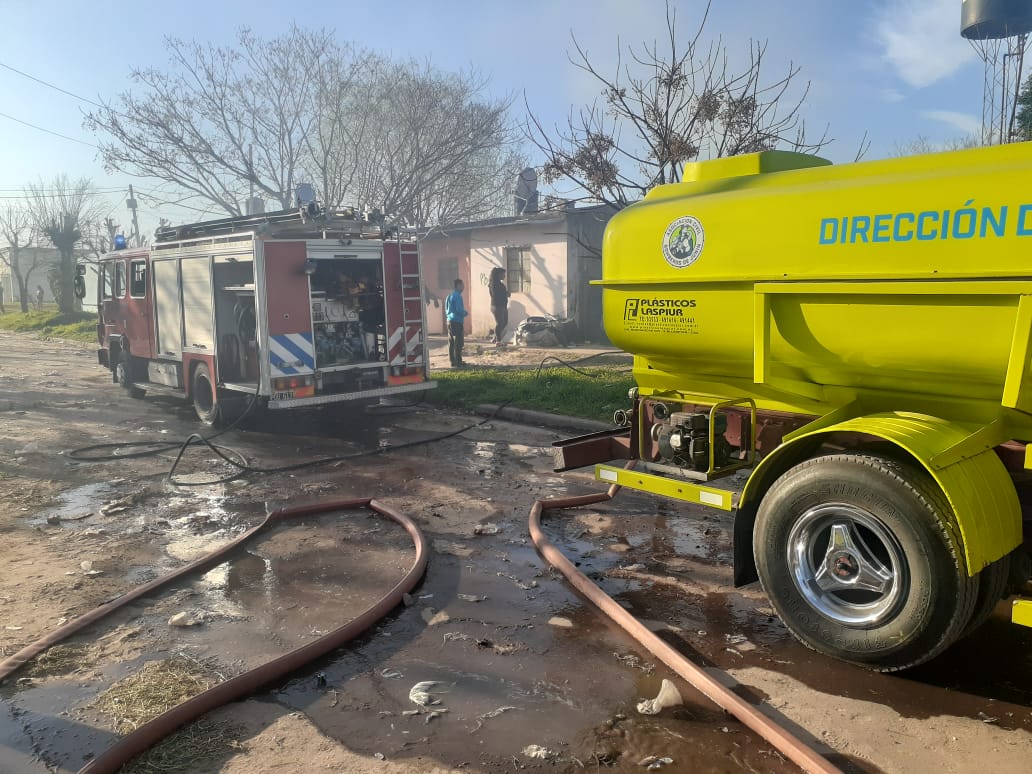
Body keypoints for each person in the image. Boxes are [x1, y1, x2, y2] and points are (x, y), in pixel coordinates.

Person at [445, 278, 468, 368]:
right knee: (458, 342)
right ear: (458, 286)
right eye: (462, 285)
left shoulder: (449, 296)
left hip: (449, 321)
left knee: (451, 342)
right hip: (457, 322)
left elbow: (446, 309)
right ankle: (458, 361)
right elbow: (459, 309)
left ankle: (452, 361)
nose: (463, 287)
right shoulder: (458, 296)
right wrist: (465, 313)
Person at [488, 267, 510, 345]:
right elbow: (495, 295)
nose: (504, 276)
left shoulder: (499, 284)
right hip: (497, 306)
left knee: (504, 322)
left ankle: (495, 338)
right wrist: (505, 294)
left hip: (502, 306)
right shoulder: (494, 284)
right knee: (500, 323)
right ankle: (498, 341)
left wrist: (506, 294)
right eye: (503, 274)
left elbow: (501, 293)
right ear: (498, 274)